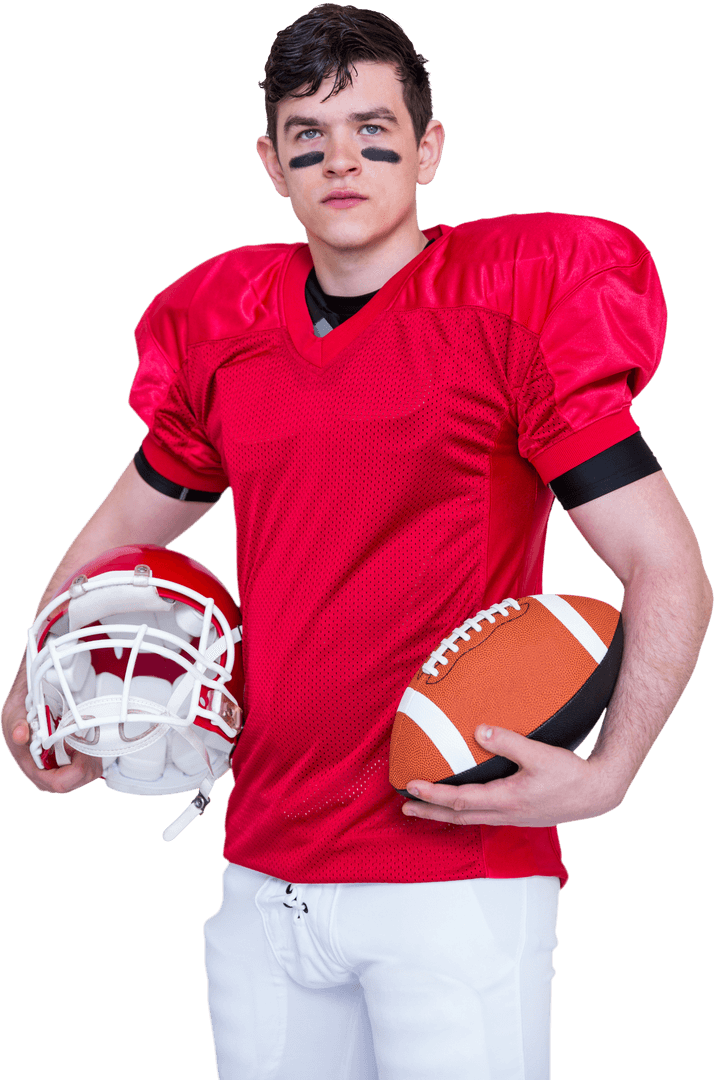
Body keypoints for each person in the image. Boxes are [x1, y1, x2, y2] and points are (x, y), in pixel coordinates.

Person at [2, 5, 711, 1079]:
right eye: (309, 138)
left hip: (452, 876)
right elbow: (113, 539)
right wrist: (39, 685)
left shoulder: (512, 309)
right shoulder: (228, 329)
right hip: (263, 871)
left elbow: (666, 564)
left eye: (375, 132)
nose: (343, 160)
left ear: (428, 147)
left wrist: (612, 770)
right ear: (270, 162)